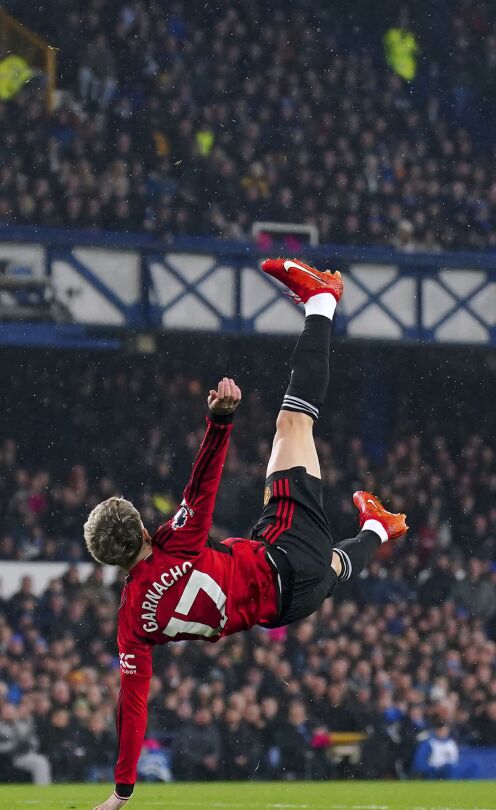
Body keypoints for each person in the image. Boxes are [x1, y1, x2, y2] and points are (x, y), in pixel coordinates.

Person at [82, 258, 410, 810]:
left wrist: (122, 790)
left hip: (287, 607)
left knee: (332, 567)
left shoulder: (131, 620)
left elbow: (131, 703)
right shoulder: (175, 540)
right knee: (293, 423)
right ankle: (322, 301)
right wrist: (220, 421)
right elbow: (202, 486)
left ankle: (378, 528)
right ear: (138, 525)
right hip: (281, 553)